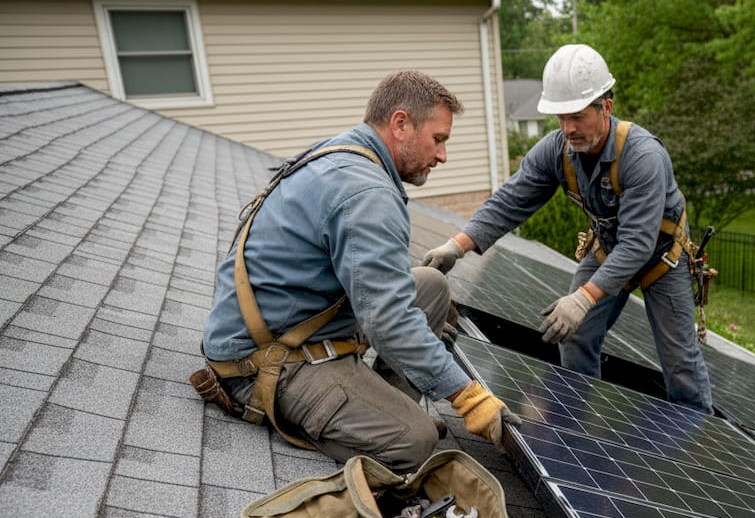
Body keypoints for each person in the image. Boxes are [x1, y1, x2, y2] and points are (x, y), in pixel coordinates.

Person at [196, 70, 518, 471]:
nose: (442, 156)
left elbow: (384, 295)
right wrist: (468, 396)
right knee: (414, 442)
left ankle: (380, 405)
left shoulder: (347, 152)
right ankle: (382, 425)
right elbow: (388, 319)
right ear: (400, 124)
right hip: (265, 359)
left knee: (431, 286)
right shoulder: (366, 192)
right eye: (439, 140)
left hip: (299, 317)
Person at [423, 44, 714, 414]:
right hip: (609, 248)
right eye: (561, 118)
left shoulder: (643, 157)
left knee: (680, 361)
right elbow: (510, 201)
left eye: (577, 116)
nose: (568, 129)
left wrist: (582, 298)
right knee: (574, 334)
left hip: (660, 257)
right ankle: (572, 434)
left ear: (605, 107)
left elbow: (639, 244)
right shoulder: (557, 151)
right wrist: (457, 245)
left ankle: (693, 435)